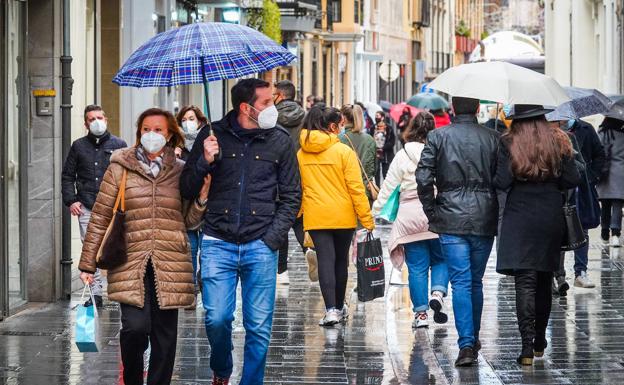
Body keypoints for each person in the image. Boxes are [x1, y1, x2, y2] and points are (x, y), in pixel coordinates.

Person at [180, 78, 301, 385]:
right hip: (217, 242)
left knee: (259, 326)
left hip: (260, 244)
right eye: (266, 103)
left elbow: (291, 196)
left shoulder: (280, 140)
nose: (272, 108)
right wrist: (204, 161)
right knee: (217, 318)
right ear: (246, 108)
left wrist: (272, 239)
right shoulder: (212, 136)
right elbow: (186, 188)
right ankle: (221, 368)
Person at [78, 108, 196, 385]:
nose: (151, 135)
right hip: (129, 259)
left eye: (158, 130)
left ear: (170, 135)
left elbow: (190, 219)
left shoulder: (181, 171)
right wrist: (87, 264)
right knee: (135, 329)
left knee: (165, 338)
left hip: (170, 261)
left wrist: (201, 197)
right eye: (146, 129)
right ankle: (132, 379)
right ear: (138, 132)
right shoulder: (119, 166)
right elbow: (100, 215)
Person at [494, 105, 581, 366]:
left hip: (520, 215)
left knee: (525, 282)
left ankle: (526, 348)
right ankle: (540, 340)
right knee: (543, 279)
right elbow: (573, 178)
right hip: (549, 215)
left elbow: (501, 182)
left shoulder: (508, 142)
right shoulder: (558, 140)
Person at [416, 96, 499, 367]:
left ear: (452, 108)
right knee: (475, 280)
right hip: (484, 215)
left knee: (461, 281)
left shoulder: (438, 137)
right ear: (477, 109)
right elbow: (504, 178)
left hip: (450, 216)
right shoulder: (492, 137)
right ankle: (470, 340)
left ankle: (466, 344)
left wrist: (432, 211)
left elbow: (423, 177)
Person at [298, 105, 374, 326]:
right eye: (339, 125)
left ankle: (331, 309)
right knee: (341, 262)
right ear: (332, 126)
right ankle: (339, 307)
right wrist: (367, 219)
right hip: (343, 215)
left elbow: (300, 187)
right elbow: (356, 188)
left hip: (316, 214)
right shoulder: (344, 152)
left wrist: (300, 213)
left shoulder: (301, 153)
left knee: (325, 260)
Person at [372, 111, 448, 329]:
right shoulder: (440, 152)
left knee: (417, 267)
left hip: (409, 217)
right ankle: (438, 292)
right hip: (436, 213)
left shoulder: (402, 155)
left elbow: (387, 187)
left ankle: (421, 315)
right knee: (441, 259)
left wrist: (373, 211)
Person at [62, 104, 127, 308]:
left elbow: (128, 175)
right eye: (91, 119)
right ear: (85, 123)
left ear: (106, 120)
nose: (96, 121)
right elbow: (67, 176)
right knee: (91, 250)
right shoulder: (78, 146)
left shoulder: (120, 144)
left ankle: (118, 290)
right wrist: (71, 200)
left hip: (114, 208)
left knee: (115, 248)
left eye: (99, 117)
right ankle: (96, 293)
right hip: (88, 206)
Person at [554, 118, 605, 291]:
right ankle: (558, 275)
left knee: (582, 230)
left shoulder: (584, 129)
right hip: (559, 191)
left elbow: (598, 155)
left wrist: (592, 177)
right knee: (558, 231)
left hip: (581, 188)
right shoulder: (549, 133)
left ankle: (580, 272)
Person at [176, 105, 211, 299]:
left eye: (191, 118)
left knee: (207, 251)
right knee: (190, 250)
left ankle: (204, 283)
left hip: (207, 205)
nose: (188, 123)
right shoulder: (175, 146)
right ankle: (190, 291)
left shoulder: (208, 142)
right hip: (187, 206)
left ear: (200, 121)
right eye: (184, 119)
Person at [274, 80, 307, 285]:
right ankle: (310, 250)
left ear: (281, 96)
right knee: (300, 220)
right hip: (301, 175)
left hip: (277, 175)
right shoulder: (305, 117)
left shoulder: (269, 117)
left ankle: (281, 271)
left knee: (280, 222)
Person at [339, 104, 377, 204]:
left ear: (344, 118)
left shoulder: (338, 139)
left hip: (344, 192)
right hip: (365, 191)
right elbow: (374, 169)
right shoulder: (369, 140)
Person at [597, 117, 624, 247]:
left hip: (604, 173)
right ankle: (615, 233)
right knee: (618, 204)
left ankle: (604, 232)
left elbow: (597, 153)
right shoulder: (622, 135)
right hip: (620, 173)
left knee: (605, 205)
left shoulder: (601, 134)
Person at [372, 117, 395, 186]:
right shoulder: (373, 128)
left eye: (381, 126)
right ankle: (377, 188)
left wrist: (383, 148)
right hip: (376, 154)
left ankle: (386, 188)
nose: (379, 127)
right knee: (377, 172)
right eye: (378, 126)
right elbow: (371, 139)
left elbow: (392, 142)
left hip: (386, 155)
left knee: (386, 172)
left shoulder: (389, 129)